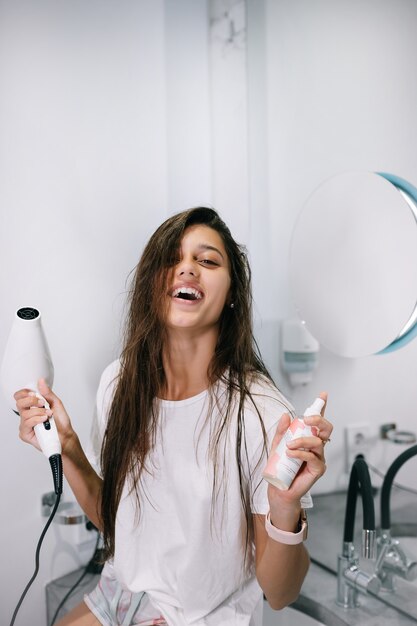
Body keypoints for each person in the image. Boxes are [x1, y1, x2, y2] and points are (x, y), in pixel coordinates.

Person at [15, 207, 333, 626]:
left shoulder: (260, 414)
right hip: (120, 594)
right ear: (152, 284)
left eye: (207, 261)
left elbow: (280, 593)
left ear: (233, 292)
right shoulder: (119, 384)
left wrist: (285, 506)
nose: (186, 269)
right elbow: (120, 530)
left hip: (204, 615)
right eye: (172, 259)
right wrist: (70, 448)